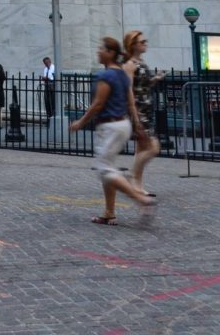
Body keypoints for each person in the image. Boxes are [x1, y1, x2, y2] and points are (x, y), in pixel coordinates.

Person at [69, 36, 156, 226]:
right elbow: (131, 102)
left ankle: (142, 199)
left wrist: (80, 122)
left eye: (101, 48)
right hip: (123, 124)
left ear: (110, 53)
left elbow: (98, 104)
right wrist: (137, 124)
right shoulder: (123, 74)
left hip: (110, 126)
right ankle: (109, 212)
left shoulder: (106, 76)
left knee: (103, 168)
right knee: (107, 167)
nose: (98, 51)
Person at [122, 30, 163, 198]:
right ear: (133, 45)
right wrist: (135, 116)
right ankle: (130, 174)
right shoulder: (129, 64)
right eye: (142, 41)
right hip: (139, 112)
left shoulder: (141, 62)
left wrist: (156, 79)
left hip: (146, 110)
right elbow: (128, 91)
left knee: (141, 150)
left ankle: (137, 186)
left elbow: (143, 87)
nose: (145, 43)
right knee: (153, 148)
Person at [41, 56, 55, 120]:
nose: (46, 64)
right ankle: (48, 115)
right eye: (45, 63)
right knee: (47, 101)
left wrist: (45, 78)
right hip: (47, 85)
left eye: (47, 63)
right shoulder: (45, 69)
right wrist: (45, 78)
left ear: (50, 61)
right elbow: (45, 78)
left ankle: (52, 114)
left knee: (52, 101)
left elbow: (50, 77)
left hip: (52, 86)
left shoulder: (53, 67)